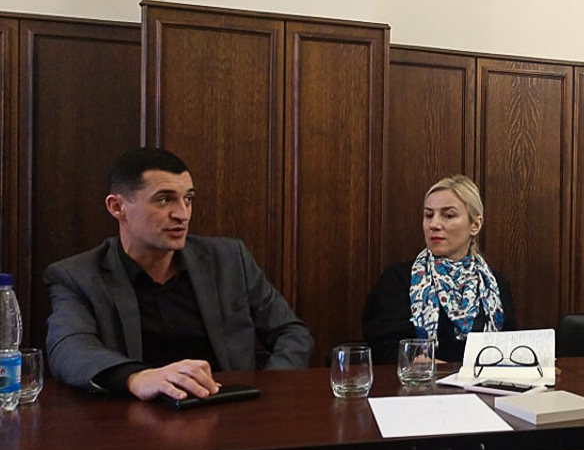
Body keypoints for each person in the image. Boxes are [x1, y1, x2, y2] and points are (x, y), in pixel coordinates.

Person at [45, 147, 313, 401]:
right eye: (164, 200)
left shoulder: (230, 259)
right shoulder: (77, 276)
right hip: (135, 419)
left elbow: (292, 333)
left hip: (230, 411)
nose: (182, 214)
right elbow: (68, 348)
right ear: (117, 207)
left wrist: (266, 392)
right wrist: (136, 378)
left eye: (188, 199)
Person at [362, 175, 517, 364]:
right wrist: (432, 366)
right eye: (429, 215)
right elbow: (383, 348)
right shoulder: (398, 280)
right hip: (421, 381)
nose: (434, 225)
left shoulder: (496, 285)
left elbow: (509, 350)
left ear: (475, 225)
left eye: (448, 215)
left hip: (483, 381)